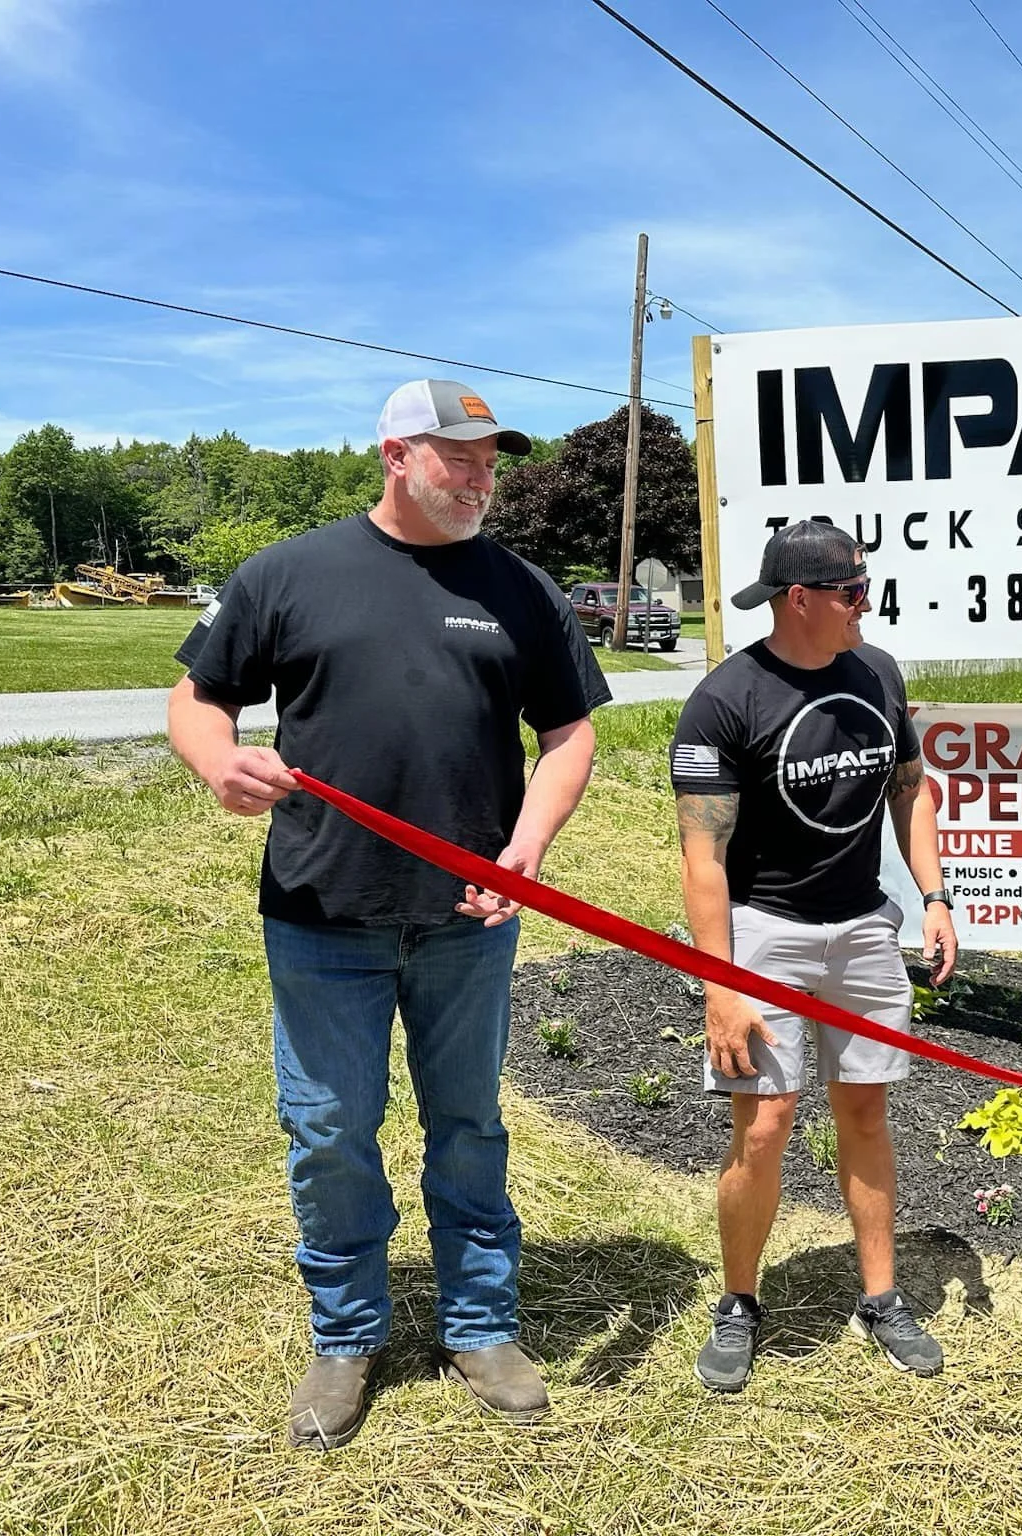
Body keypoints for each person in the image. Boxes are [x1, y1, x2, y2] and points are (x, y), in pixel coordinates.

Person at [166, 380, 610, 1450]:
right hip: (323, 910)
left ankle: (479, 1324)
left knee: (468, 1128)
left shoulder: (519, 588)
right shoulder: (290, 572)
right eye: (456, 457)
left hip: (469, 914)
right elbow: (197, 697)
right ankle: (348, 1334)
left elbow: (569, 733)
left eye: (490, 462)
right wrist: (217, 762)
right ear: (394, 455)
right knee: (328, 1131)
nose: (478, 479)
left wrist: (527, 850)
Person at [671, 520, 958, 1394]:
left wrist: (934, 896)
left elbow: (910, 793)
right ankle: (739, 1304)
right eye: (852, 592)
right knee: (765, 1124)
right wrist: (721, 984)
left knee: (866, 1113)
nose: (866, 605)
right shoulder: (726, 701)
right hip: (765, 934)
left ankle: (881, 1297)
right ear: (801, 599)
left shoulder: (877, 672)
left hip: (863, 926)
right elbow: (701, 860)